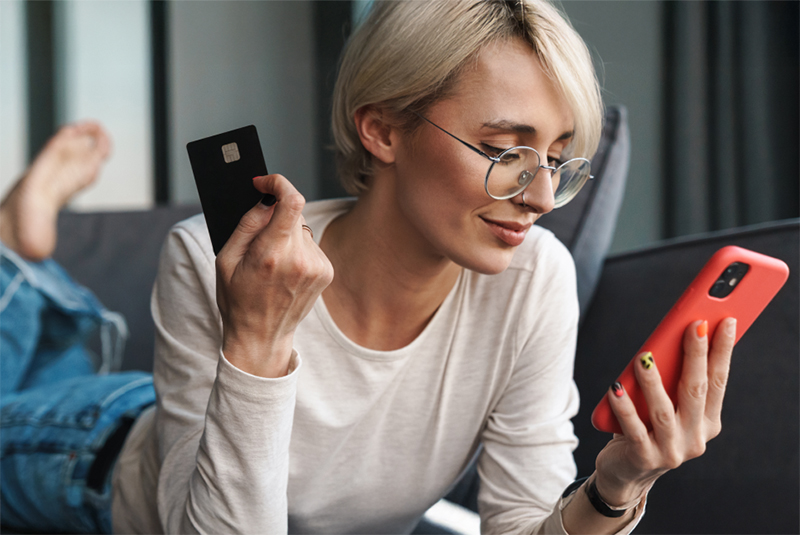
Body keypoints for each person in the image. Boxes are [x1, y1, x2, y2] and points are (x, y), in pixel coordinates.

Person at [1, 1, 735, 534]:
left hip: (168, 407)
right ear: (382, 128)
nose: (541, 196)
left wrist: (616, 486)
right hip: (96, 453)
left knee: (67, 348)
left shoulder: (533, 277)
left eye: (557, 158)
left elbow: (518, 525)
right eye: (506, 150)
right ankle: (22, 256)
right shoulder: (215, 259)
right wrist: (256, 340)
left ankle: (36, 262)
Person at [0, 122, 156, 533]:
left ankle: (11, 259)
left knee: (46, 370)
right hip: (125, 433)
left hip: (120, 426)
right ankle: (13, 256)